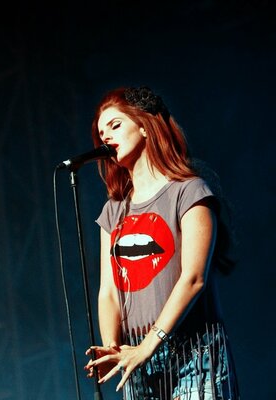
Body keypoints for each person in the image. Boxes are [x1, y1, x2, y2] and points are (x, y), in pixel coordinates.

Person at [83, 86, 239, 399]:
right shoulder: (113, 211)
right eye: (102, 133)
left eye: (115, 125)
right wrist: (113, 350)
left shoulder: (190, 191)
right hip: (137, 357)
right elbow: (109, 291)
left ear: (144, 125)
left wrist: (149, 344)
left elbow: (194, 278)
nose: (107, 137)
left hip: (193, 348)